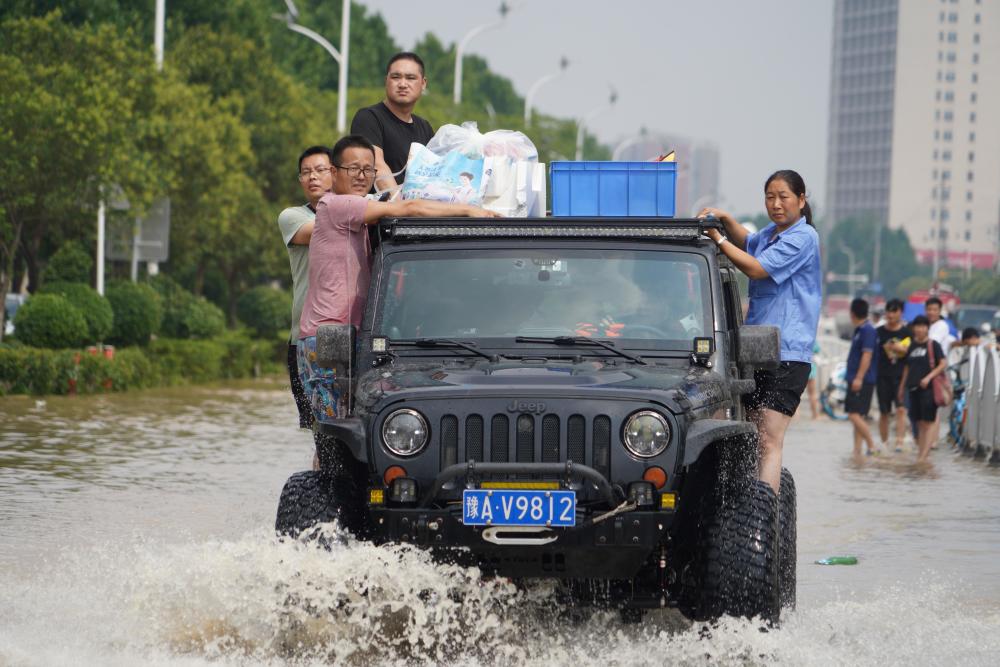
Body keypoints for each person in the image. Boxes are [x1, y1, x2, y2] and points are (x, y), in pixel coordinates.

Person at [297, 135, 499, 426]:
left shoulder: (359, 209)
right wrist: (468, 210)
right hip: (326, 337)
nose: (362, 176)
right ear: (334, 173)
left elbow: (400, 201)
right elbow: (408, 208)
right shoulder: (336, 206)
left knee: (354, 424)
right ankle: (327, 473)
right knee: (333, 430)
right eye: (353, 169)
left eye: (368, 169)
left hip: (349, 333)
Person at [699, 169, 821, 495]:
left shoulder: (803, 237)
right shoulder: (770, 234)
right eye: (770, 197)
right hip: (758, 352)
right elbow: (749, 243)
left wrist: (718, 238)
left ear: (801, 199)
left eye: (784, 197)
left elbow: (757, 268)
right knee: (753, 434)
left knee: (769, 438)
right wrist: (726, 218)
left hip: (788, 353)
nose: (776, 204)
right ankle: (751, 505)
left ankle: (763, 515)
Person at [277, 145, 335, 430]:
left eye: (320, 170)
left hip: (350, 334)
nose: (313, 177)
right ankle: (321, 476)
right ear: (300, 180)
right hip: (305, 338)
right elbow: (323, 228)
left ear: (335, 173)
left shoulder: (360, 209)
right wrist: (365, 207)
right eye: (306, 172)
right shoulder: (292, 217)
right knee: (318, 428)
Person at [350, 52, 434, 193]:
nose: (402, 84)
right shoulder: (368, 118)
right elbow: (376, 165)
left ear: (423, 83)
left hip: (416, 211)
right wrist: (401, 207)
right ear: (386, 80)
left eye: (410, 78)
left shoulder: (425, 128)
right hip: (381, 211)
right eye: (396, 77)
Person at [898, 315, 947, 464]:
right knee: (917, 422)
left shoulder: (933, 345)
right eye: (917, 326)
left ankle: (923, 456)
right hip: (912, 388)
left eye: (923, 326)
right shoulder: (911, 346)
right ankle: (921, 454)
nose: (920, 329)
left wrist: (928, 377)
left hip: (929, 389)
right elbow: (907, 367)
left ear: (927, 328)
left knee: (928, 422)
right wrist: (901, 387)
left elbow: (943, 364)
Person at [876, 298, 911, 452]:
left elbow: (909, 352)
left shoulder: (906, 332)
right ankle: (884, 442)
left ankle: (899, 441)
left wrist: (897, 348)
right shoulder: (878, 332)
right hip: (882, 375)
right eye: (888, 311)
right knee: (884, 412)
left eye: (894, 311)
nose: (890, 315)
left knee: (901, 409)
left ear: (900, 313)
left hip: (900, 376)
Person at [845, 298, 878, 457]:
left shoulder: (867, 330)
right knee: (857, 415)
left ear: (852, 313)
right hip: (855, 378)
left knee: (853, 415)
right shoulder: (860, 330)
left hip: (862, 379)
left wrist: (859, 378)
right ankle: (857, 451)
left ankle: (872, 446)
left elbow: (867, 355)